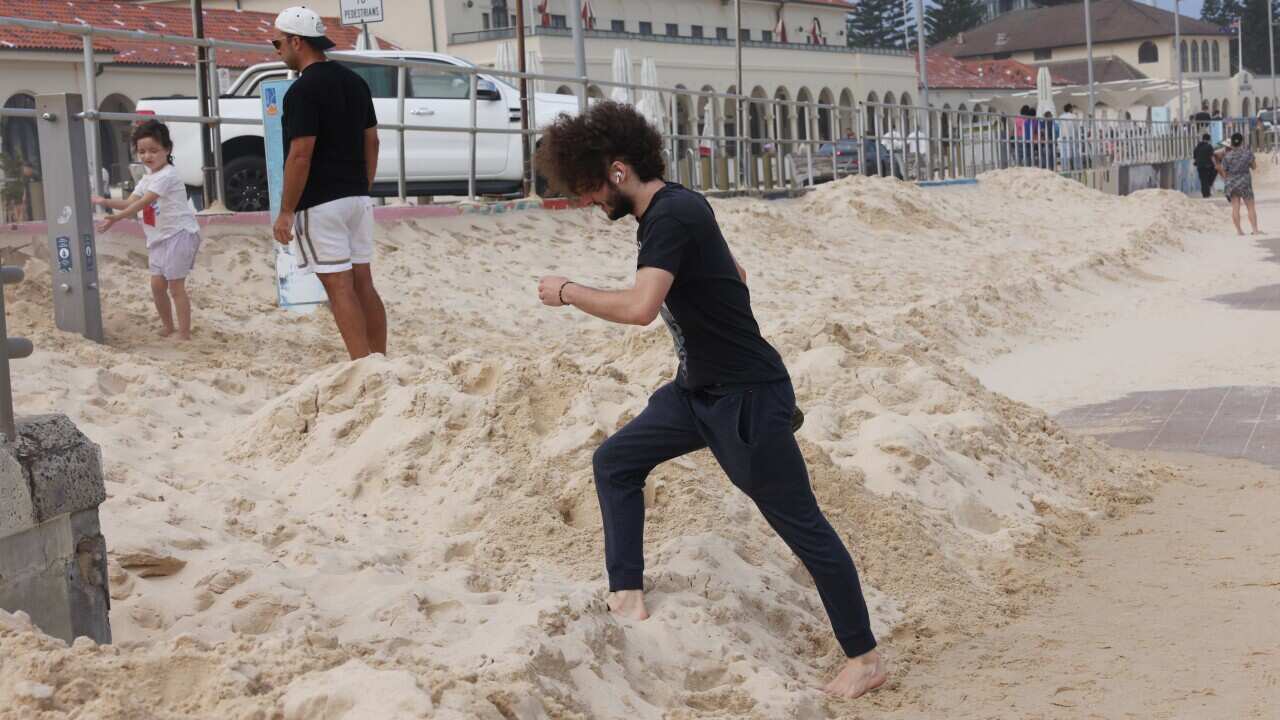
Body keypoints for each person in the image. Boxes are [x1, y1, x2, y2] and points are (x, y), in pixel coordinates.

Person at [533, 101, 886, 699]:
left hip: (748, 401)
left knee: (802, 527)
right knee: (615, 461)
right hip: (696, 391)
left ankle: (865, 656)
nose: (589, 203)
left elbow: (641, 309)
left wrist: (566, 291)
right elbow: (736, 273)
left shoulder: (671, 214)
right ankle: (626, 593)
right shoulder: (674, 210)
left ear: (617, 171)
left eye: (589, 189)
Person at [270, 6, 387, 360]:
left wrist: (286, 210)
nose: (277, 51)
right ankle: (379, 358)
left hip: (321, 201)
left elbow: (300, 154)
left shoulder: (302, 91)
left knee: (338, 286)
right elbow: (373, 141)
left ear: (296, 41)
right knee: (363, 282)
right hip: (357, 197)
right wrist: (362, 184)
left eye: (277, 44)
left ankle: (362, 365)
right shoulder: (355, 81)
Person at [93, 120, 201, 341]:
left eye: (153, 150)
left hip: (179, 234)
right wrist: (103, 200)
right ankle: (168, 326)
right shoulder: (147, 177)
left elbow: (142, 204)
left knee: (175, 286)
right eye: (142, 151)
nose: (147, 156)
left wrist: (117, 219)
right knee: (157, 285)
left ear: (167, 150)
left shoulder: (168, 175)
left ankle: (184, 333)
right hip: (158, 237)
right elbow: (130, 201)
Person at [1218, 132, 1262, 235]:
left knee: (1235, 207)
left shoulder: (1227, 156)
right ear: (1242, 142)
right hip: (1245, 182)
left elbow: (1223, 172)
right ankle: (1255, 230)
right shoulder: (1248, 153)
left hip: (1232, 183)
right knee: (1250, 207)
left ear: (1231, 143)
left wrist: (1229, 179)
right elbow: (1254, 167)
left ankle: (1239, 231)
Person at [1193, 133, 1217, 199]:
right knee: (1210, 177)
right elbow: (1212, 157)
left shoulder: (1197, 147)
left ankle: (1205, 194)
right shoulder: (1209, 146)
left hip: (1200, 166)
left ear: (1203, 139)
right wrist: (1215, 165)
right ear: (1209, 139)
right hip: (1208, 166)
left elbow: (1195, 157)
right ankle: (1207, 191)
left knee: (1203, 180)